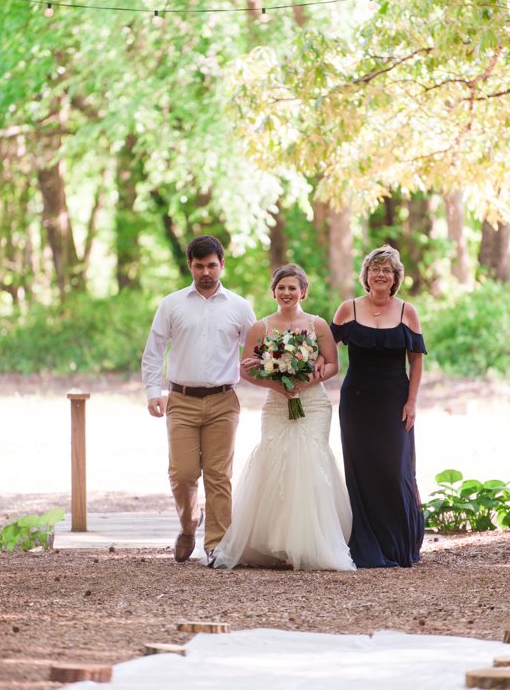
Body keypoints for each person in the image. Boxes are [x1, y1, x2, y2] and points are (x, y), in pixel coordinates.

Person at [210, 265, 354, 571]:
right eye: (281, 288)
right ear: (273, 291)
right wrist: (278, 383)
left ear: (303, 292)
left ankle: (309, 544)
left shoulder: (317, 325)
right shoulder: (260, 328)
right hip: (276, 403)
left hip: (313, 403)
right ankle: (275, 544)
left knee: (309, 461)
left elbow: (332, 365)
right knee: (276, 460)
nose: (287, 293)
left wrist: (307, 380)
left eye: (293, 288)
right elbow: (246, 369)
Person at [141, 235, 256, 563]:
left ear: (222, 264)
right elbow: (154, 351)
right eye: (198, 265)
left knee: (219, 474)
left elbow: (255, 352)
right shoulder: (172, 304)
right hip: (182, 399)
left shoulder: (239, 307)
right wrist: (153, 392)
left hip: (223, 400)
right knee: (183, 473)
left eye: (211, 265)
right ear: (189, 265)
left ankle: (217, 547)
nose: (205, 272)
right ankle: (189, 524)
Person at [330, 245, 426, 568]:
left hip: (394, 402)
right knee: (361, 471)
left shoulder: (407, 312)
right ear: (366, 275)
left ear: (396, 277)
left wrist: (412, 402)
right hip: (356, 402)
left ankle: (399, 544)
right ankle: (366, 544)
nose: (381, 274)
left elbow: (416, 361)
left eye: (387, 270)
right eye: (375, 269)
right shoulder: (348, 309)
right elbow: (326, 354)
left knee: (394, 468)